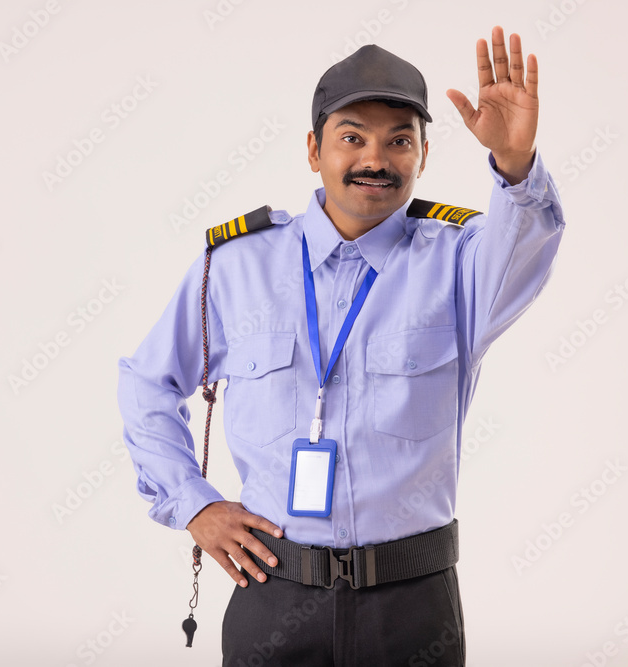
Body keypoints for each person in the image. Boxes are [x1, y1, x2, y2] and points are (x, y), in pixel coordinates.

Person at [117, 27, 563, 666]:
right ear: (312, 148)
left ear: (424, 156)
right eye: (352, 137)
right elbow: (146, 383)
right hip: (272, 589)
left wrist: (516, 167)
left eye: (399, 141)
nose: (374, 159)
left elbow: (526, 252)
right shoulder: (236, 266)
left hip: (413, 603)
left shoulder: (463, 261)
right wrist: (195, 504)